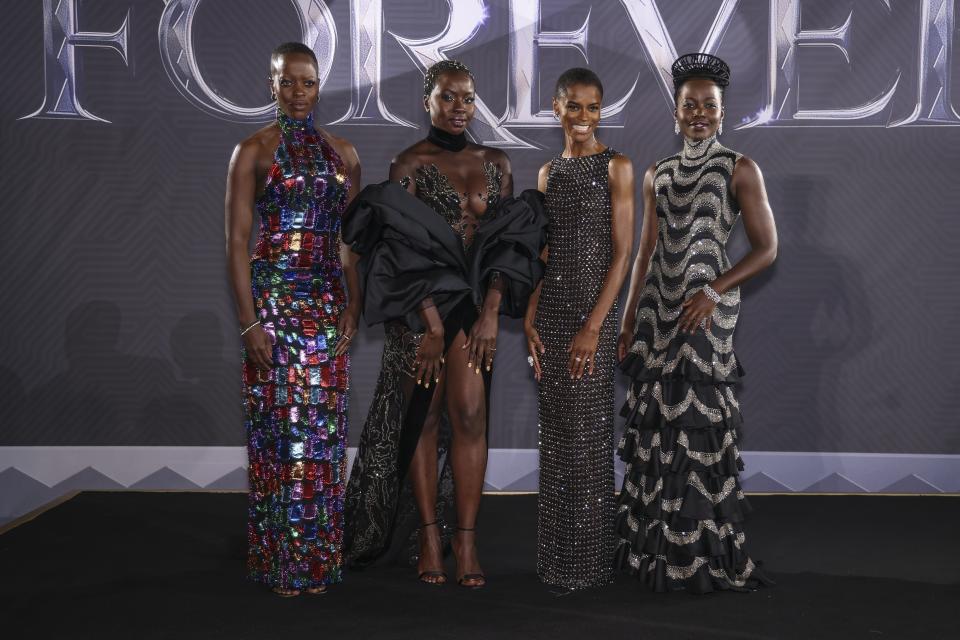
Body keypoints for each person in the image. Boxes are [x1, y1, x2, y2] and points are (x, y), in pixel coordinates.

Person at [343, 60, 546, 588]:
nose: (460, 108)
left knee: (471, 416)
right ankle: (431, 537)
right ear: (427, 102)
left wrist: (490, 312)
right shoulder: (408, 163)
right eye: (448, 98)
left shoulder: (495, 162)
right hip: (422, 309)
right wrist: (429, 326)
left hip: (475, 309)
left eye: (468, 98)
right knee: (426, 418)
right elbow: (398, 252)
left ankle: (467, 540)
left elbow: (508, 246)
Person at [614, 53, 777, 593]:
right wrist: (628, 317)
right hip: (658, 312)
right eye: (690, 105)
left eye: (709, 105)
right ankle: (653, 556)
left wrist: (714, 289)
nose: (699, 113)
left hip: (706, 313)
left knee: (697, 430)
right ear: (676, 111)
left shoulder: (739, 168)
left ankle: (704, 558)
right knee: (658, 430)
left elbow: (766, 249)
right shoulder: (657, 172)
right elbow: (644, 252)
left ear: (723, 112)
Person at [224, 42, 362, 596]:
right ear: (271, 84)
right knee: (282, 433)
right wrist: (248, 321)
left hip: (328, 305)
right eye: (288, 82)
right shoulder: (252, 151)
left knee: (323, 436)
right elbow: (236, 242)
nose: (298, 93)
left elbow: (350, 242)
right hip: (275, 305)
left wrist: (355, 302)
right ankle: (282, 561)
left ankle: (318, 564)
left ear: (319, 85)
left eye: (307, 83)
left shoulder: (344, 153)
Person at [524, 67, 635, 590]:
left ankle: (589, 562)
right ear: (556, 108)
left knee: (589, 433)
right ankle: (557, 558)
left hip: (595, 310)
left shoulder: (618, 167)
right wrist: (528, 312)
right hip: (552, 310)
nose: (584, 117)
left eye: (593, 107)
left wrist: (596, 327)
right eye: (574, 106)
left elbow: (623, 253)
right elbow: (545, 254)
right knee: (557, 436)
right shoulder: (548, 174)